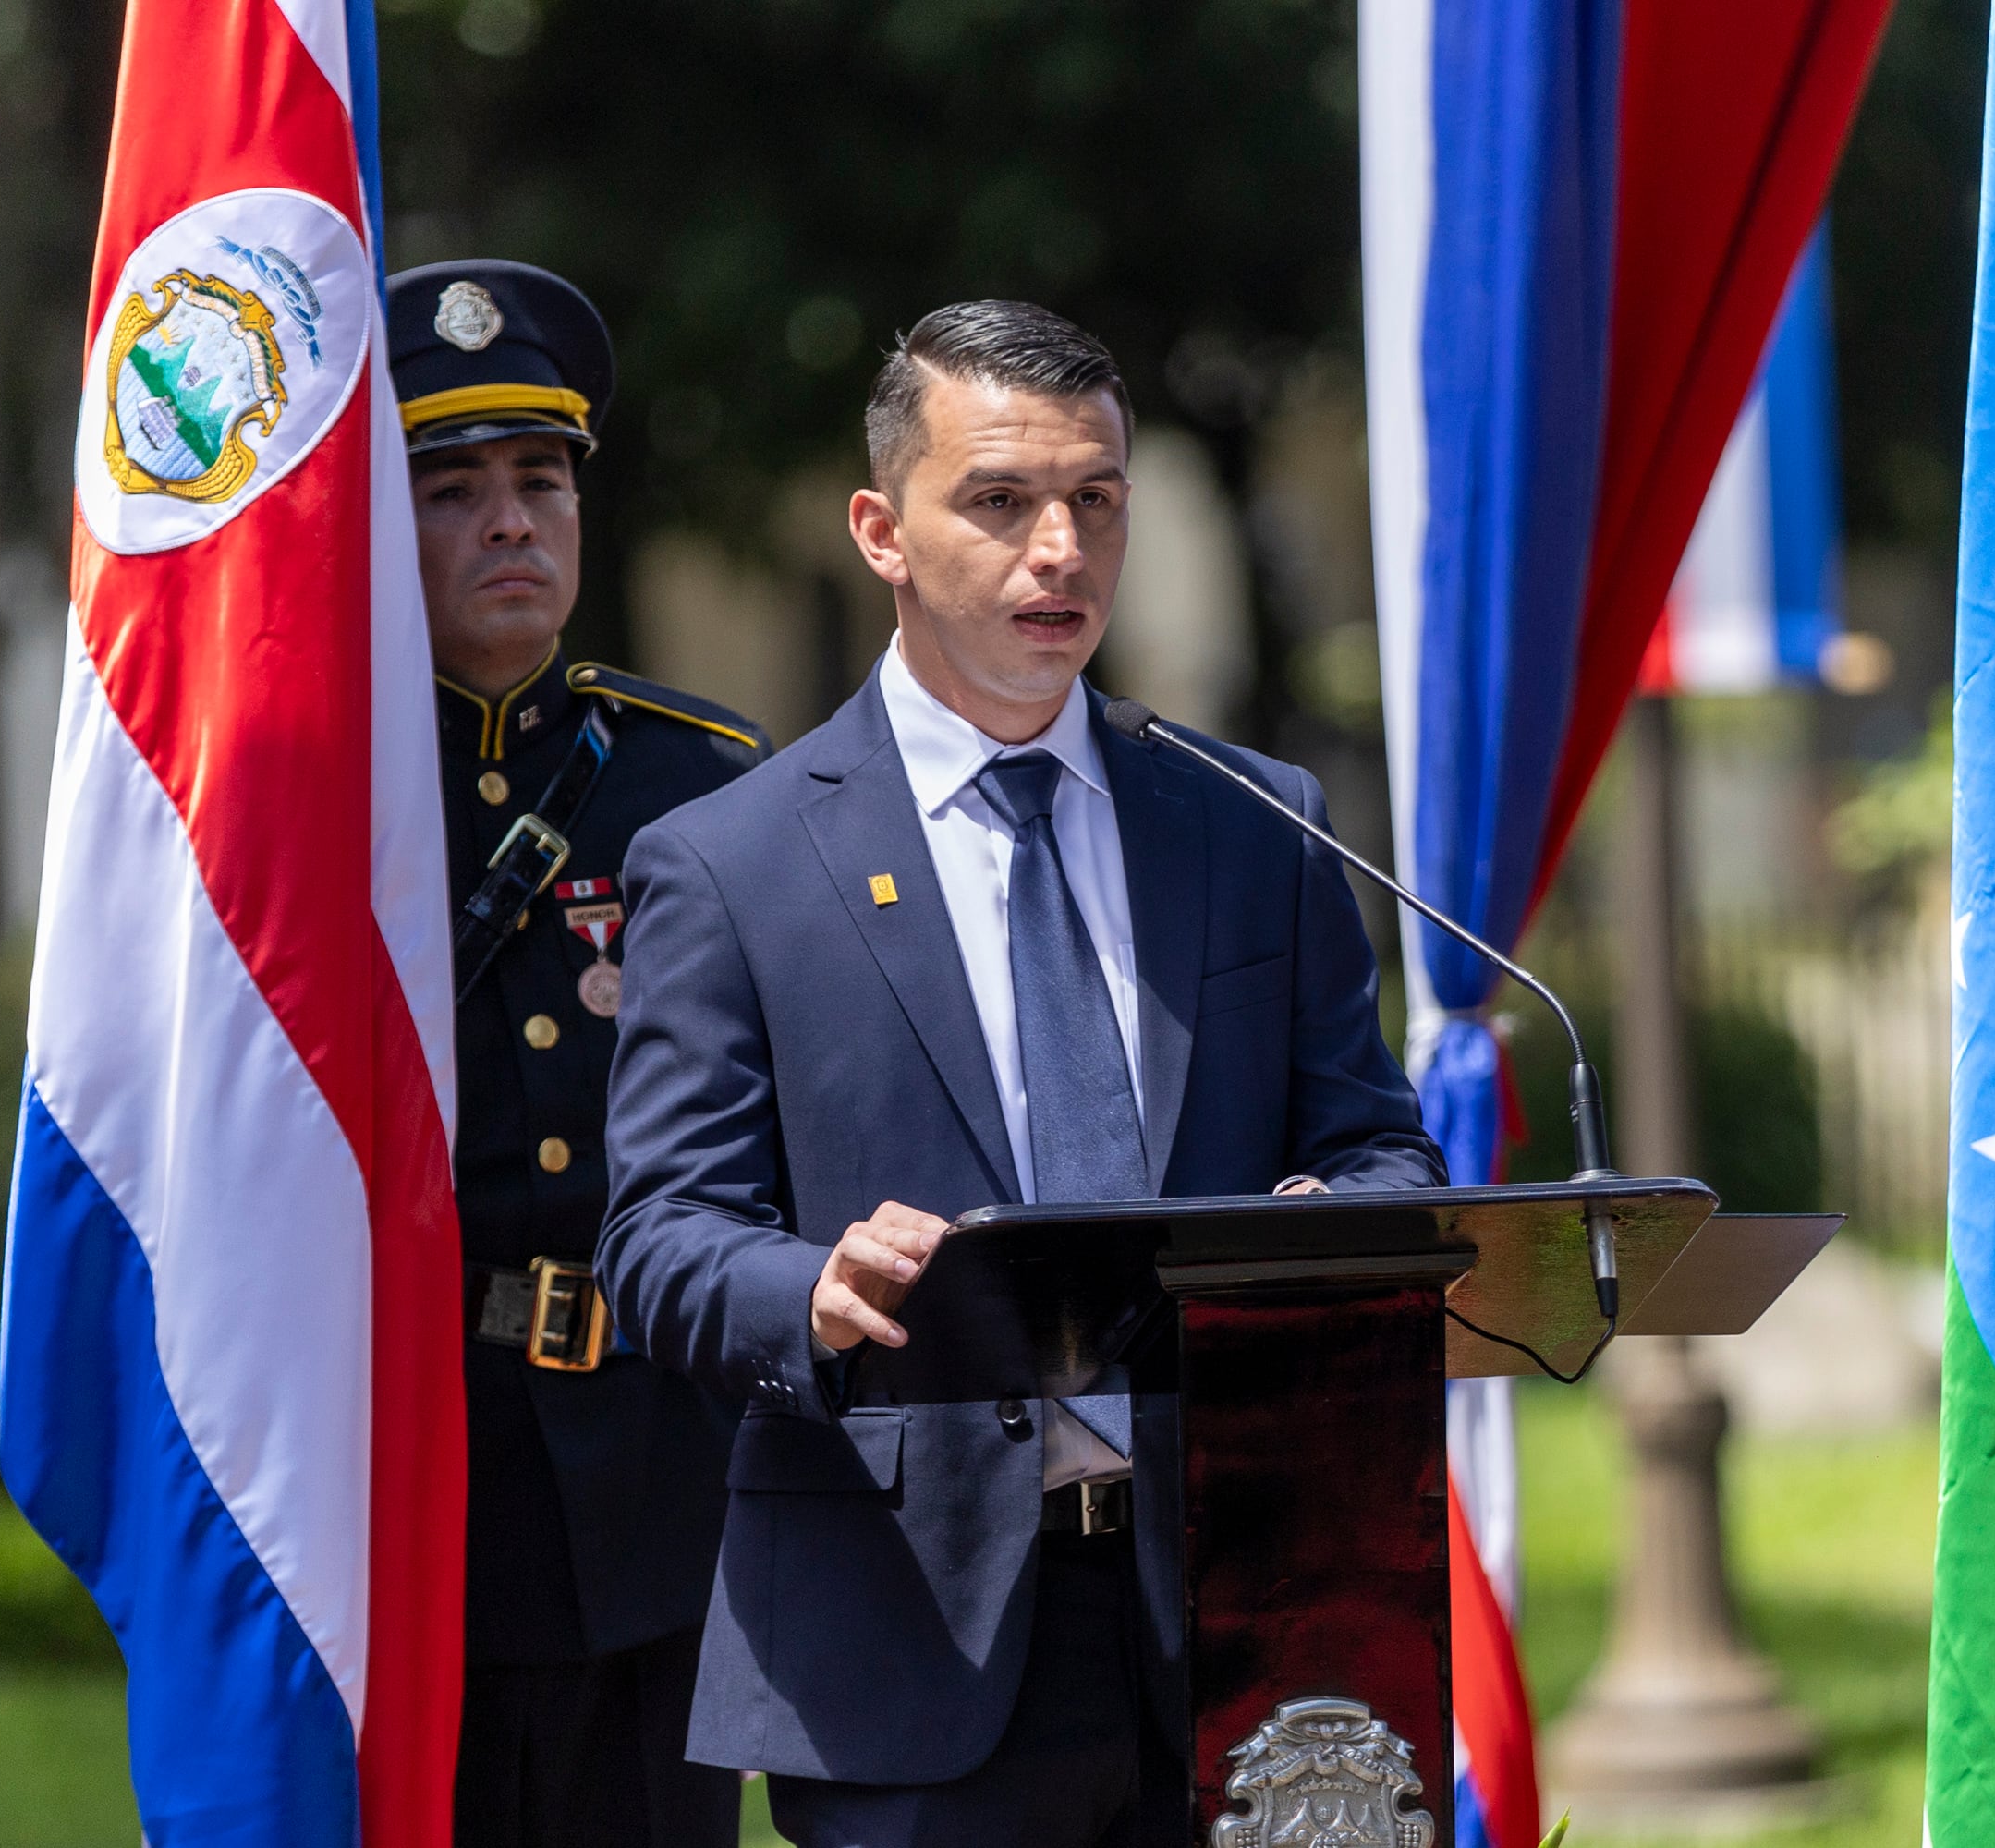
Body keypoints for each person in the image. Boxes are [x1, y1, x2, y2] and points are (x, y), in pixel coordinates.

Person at [597, 299, 1445, 1848]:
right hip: (905, 1624)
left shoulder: (1255, 824)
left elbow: (1384, 1147)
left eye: (1095, 500)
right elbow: (658, 1235)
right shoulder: (733, 863)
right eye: (1000, 502)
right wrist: (809, 1288)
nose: (1058, 548)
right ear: (883, 530)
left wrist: (1331, 1224)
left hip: (1253, 1604)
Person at [391, 258, 772, 1848]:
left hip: (656, 1482)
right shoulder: (312, 806)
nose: (511, 523)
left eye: (540, 481)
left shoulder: (704, 788)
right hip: (414, 1482)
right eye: (454, 488)